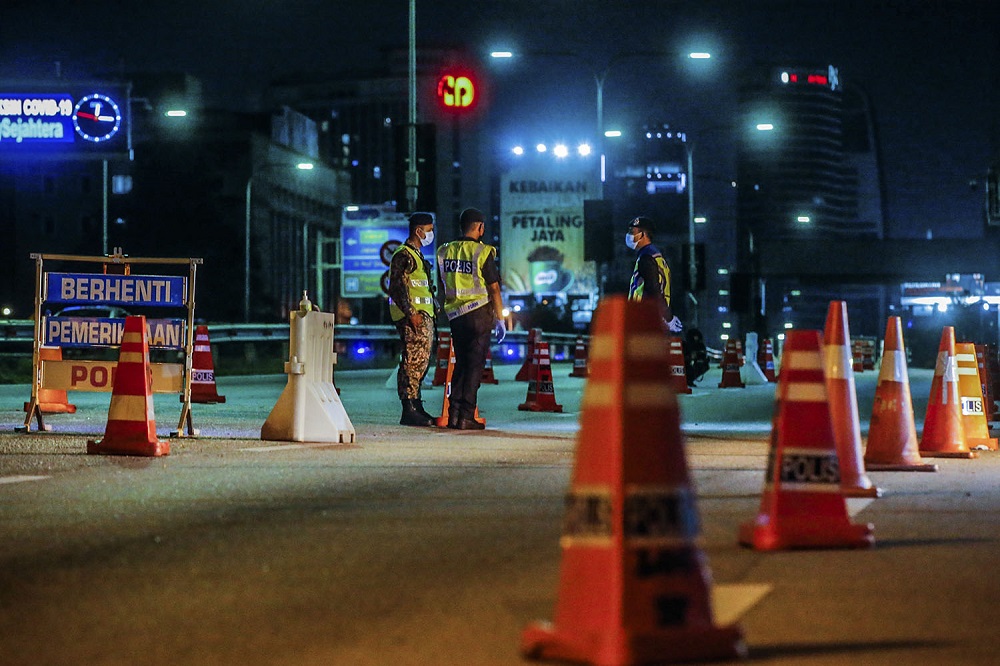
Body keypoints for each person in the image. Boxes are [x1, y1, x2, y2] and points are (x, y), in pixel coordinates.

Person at [437, 207, 506, 430]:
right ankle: (466, 415)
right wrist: (500, 318)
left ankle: (454, 414)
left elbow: (443, 283)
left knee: (460, 365)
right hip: (478, 314)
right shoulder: (482, 252)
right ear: (479, 227)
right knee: (474, 366)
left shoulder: (445, 251)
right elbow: (494, 288)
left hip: (455, 316)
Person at [387, 212, 438, 426]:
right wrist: (411, 313)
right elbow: (397, 288)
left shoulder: (417, 255)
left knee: (420, 363)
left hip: (422, 316)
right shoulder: (403, 255)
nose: (431, 234)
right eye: (429, 229)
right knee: (411, 362)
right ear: (418, 231)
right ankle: (408, 409)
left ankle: (416, 406)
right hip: (412, 318)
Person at [625, 216, 683, 333]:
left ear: (643, 235)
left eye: (632, 232)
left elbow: (654, 290)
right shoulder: (656, 255)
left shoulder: (646, 258)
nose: (628, 235)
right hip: (654, 318)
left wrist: (668, 318)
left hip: (644, 319)